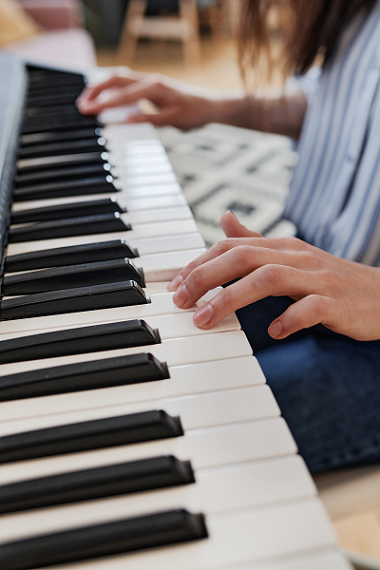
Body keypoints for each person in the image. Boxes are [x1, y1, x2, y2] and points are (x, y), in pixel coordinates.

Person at [78, 0, 380, 474]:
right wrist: (213, 106)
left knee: (194, 421)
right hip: (317, 271)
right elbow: (335, 104)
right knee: (158, 333)